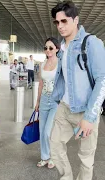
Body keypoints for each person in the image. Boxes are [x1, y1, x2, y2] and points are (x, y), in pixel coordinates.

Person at [50, 1, 105, 180]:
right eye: (57, 22)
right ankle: (66, 177)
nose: (60, 26)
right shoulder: (62, 48)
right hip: (64, 108)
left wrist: (90, 117)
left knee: (86, 159)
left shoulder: (91, 43)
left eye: (64, 21)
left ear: (76, 20)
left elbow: (103, 79)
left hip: (86, 110)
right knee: (55, 147)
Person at [34, 37, 59, 169]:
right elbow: (40, 84)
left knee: (48, 131)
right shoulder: (42, 65)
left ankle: (53, 156)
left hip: (55, 101)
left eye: (51, 48)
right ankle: (45, 157)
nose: (48, 50)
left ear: (57, 49)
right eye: (45, 48)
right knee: (42, 129)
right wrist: (37, 101)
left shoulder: (60, 64)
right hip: (44, 99)